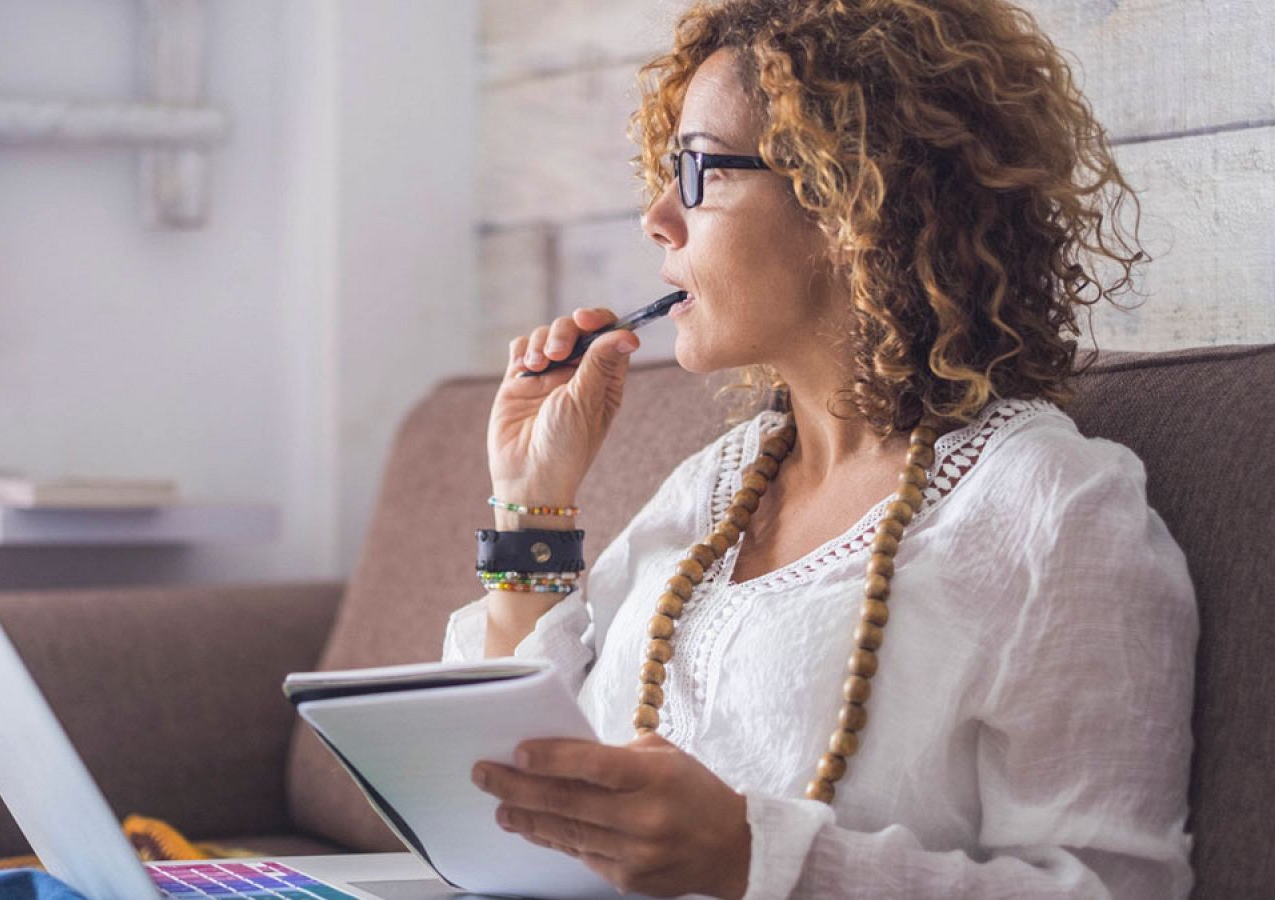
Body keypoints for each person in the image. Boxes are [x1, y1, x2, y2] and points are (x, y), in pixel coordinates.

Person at [444, 1, 1197, 898]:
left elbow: (1118, 889)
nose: (654, 217)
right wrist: (532, 502)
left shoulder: (1053, 508)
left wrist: (752, 857)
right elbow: (516, 780)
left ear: (850, 195)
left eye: (694, 170)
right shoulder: (714, 484)